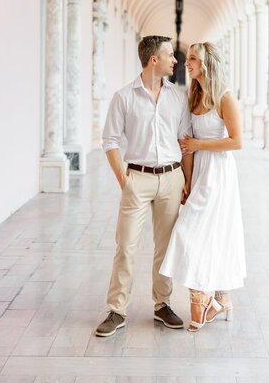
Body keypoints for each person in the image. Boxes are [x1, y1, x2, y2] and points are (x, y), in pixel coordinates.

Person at [95, 35, 193, 337]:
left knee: (165, 248)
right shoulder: (124, 97)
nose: (175, 61)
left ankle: (162, 303)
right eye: (169, 56)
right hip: (137, 179)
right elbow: (110, 140)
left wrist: (186, 181)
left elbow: (184, 141)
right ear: (154, 59)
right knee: (125, 246)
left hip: (171, 177)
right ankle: (116, 309)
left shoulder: (177, 97)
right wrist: (125, 181)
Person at [160, 42, 246, 331]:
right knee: (199, 231)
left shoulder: (225, 97)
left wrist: (200, 144)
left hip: (219, 173)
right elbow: (186, 144)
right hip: (199, 173)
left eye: (193, 58)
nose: (188, 62)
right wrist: (187, 180)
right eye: (189, 58)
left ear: (207, 63)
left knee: (197, 231)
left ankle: (206, 297)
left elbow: (236, 141)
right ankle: (218, 298)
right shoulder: (192, 96)